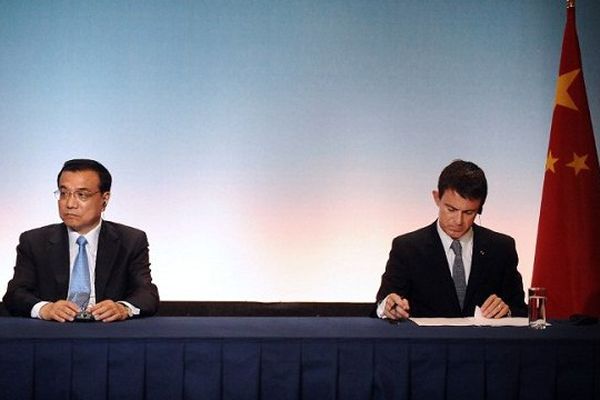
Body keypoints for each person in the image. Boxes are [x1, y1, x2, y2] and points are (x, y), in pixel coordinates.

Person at [3, 159, 159, 322]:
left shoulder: (131, 240)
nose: (69, 204)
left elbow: (147, 294)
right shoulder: (34, 241)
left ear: (104, 199)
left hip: (107, 332)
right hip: (54, 332)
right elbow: (15, 294)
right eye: (64, 193)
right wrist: (45, 308)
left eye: (81, 195)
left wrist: (123, 308)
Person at [375, 160, 527, 320]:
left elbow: (520, 310)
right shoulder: (407, 248)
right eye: (451, 209)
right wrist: (388, 306)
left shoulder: (501, 248)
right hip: (428, 344)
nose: (458, 221)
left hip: (483, 344)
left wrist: (506, 311)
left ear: (480, 206)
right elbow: (383, 303)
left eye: (469, 212)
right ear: (437, 198)